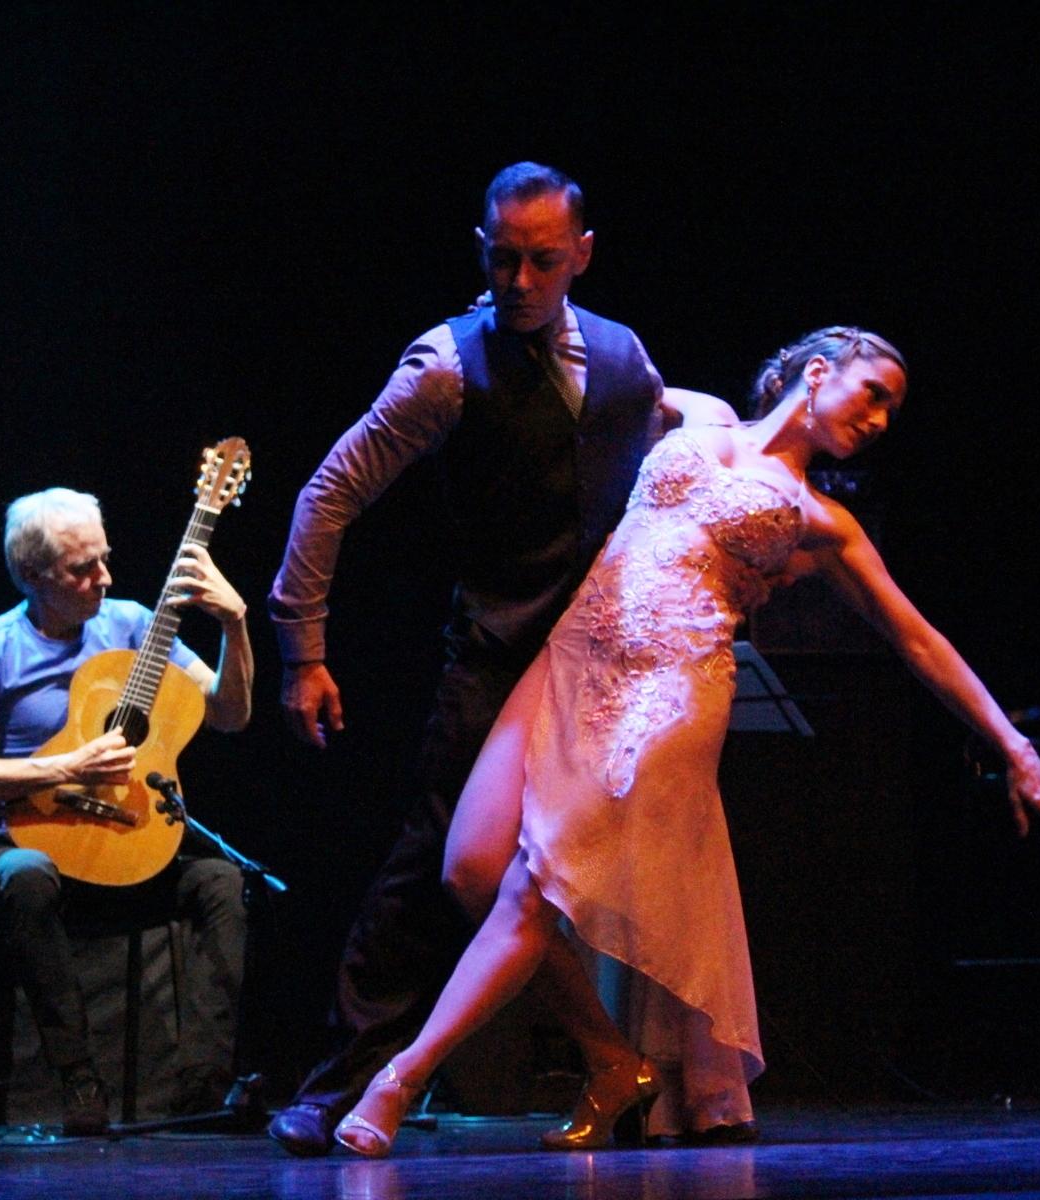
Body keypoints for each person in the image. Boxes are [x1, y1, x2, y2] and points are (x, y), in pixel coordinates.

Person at [329, 327, 1040, 1156]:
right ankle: (612, 1061)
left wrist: (1015, 747)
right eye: (873, 393)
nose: (878, 420)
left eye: (891, 413)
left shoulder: (821, 520)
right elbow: (592, 388)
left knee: (533, 888)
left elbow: (917, 639)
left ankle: (397, 1080)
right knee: (471, 867)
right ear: (818, 372)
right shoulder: (700, 415)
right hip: (576, 652)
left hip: (671, 692)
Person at [266, 162, 680, 1155]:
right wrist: (301, 651)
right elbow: (328, 493)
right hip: (496, 661)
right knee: (434, 872)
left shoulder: (624, 360)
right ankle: (340, 1086)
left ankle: (627, 1066)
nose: (519, 281)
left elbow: (665, 459)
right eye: (502, 259)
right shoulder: (445, 366)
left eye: (542, 261)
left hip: (599, 668)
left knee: (573, 882)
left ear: (581, 255)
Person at [0, 487, 254, 1134]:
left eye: (105, 559)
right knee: (27, 877)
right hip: (17, 843)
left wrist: (234, 623)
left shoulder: (132, 625)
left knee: (221, 882)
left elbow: (229, 713)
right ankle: (78, 1080)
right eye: (82, 568)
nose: (103, 578)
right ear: (33, 576)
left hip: (124, 844)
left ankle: (202, 1091)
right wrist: (66, 767)